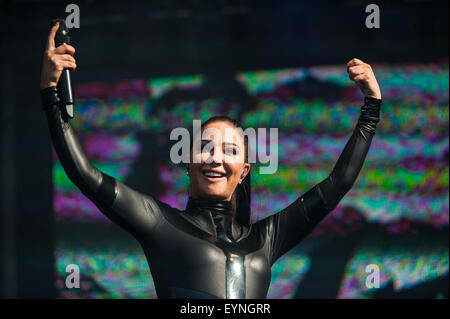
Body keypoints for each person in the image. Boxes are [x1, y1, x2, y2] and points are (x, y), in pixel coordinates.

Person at [40, 22, 382, 299]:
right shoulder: (159, 223)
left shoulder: (268, 238)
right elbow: (84, 175)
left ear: (244, 171)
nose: (216, 158)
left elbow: (338, 184)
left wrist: (371, 105)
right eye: (205, 147)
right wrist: (51, 93)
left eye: (230, 151)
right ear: (188, 162)